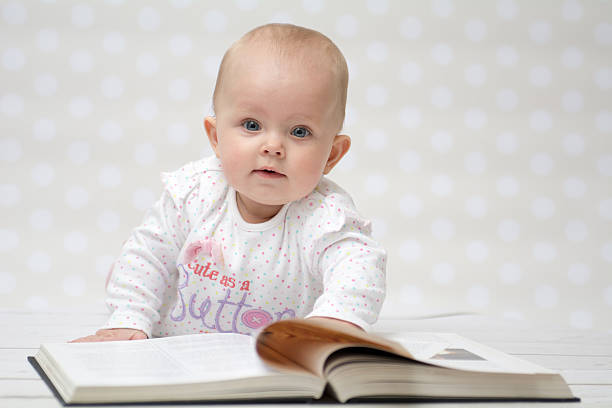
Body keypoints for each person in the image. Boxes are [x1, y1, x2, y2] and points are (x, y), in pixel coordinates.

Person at [73, 23, 386, 342]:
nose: (273, 146)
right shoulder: (194, 193)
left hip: (276, 364)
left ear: (332, 155)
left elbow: (358, 268)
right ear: (216, 137)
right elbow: (145, 256)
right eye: (252, 125)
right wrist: (129, 318)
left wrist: (335, 319)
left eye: (299, 132)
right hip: (175, 354)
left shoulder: (326, 217)